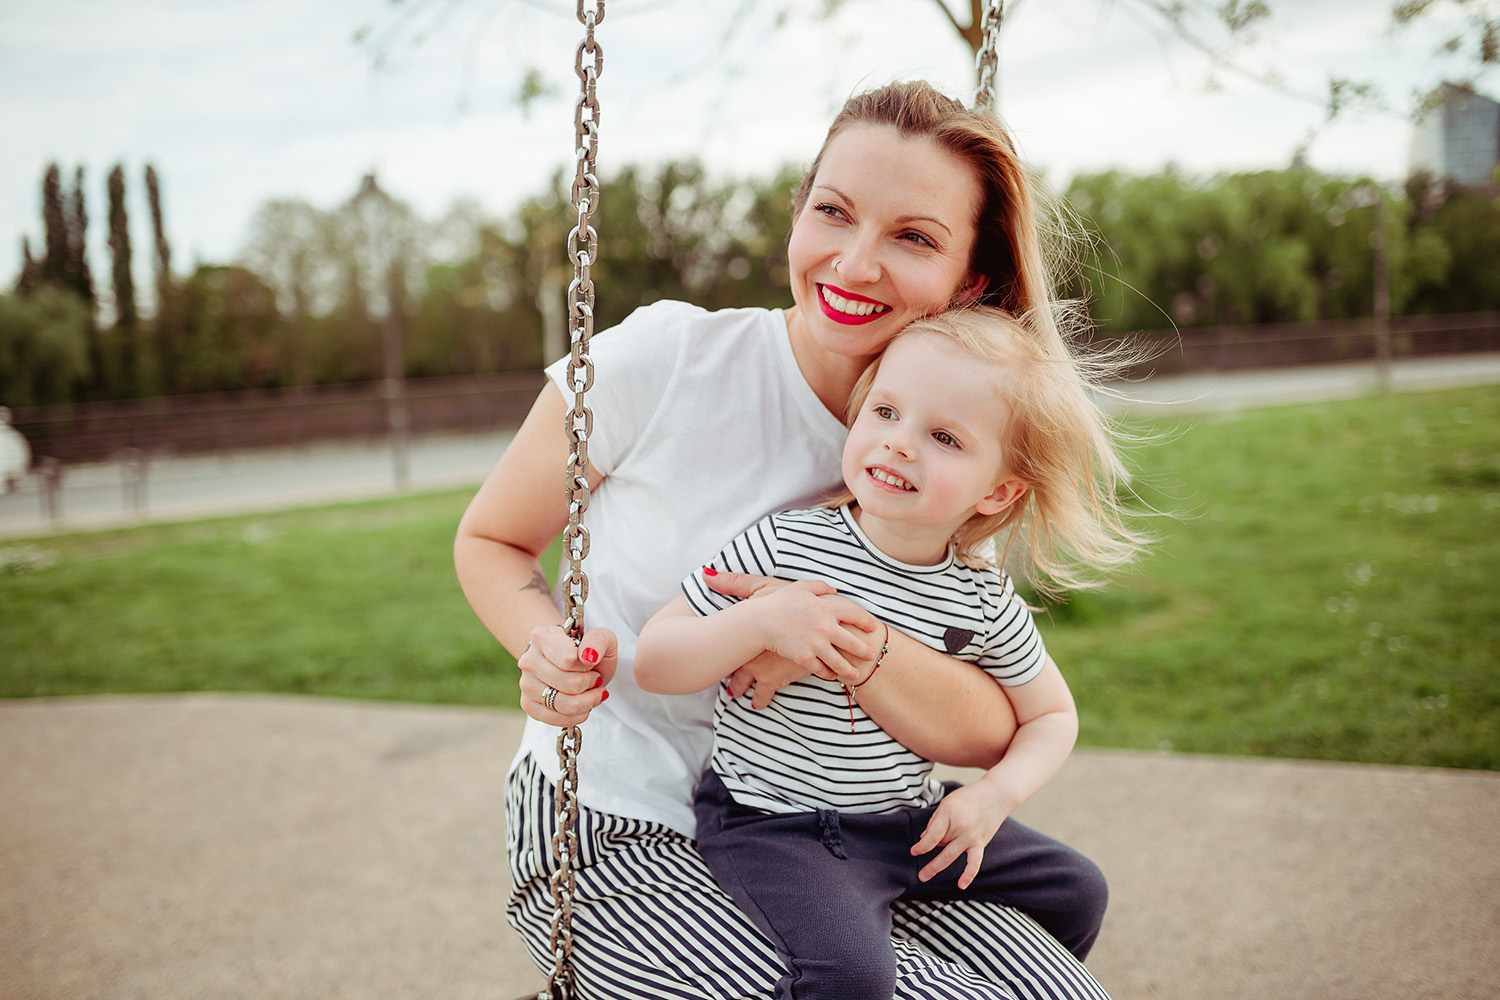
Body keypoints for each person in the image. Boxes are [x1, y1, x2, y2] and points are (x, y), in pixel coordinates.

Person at [455, 80, 1115, 999]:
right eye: (833, 212)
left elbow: (990, 727)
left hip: (855, 831)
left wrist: (843, 638)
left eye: (913, 236)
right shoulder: (665, 362)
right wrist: (547, 650)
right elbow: (492, 539)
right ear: (798, 214)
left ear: (971, 279)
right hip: (618, 823)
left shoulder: (955, 448)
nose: (854, 262)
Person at [633, 307, 1146, 998]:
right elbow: (656, 659)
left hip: (906, 820)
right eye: (885, 411)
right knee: (851, 978)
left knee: (1078, 891)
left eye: (942, 436)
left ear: (996, 490)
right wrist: (759, 622)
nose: (899, 444)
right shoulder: (787, 544)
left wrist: (993, 797)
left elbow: (1052, 716)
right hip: (778, 827)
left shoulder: (981, 597)